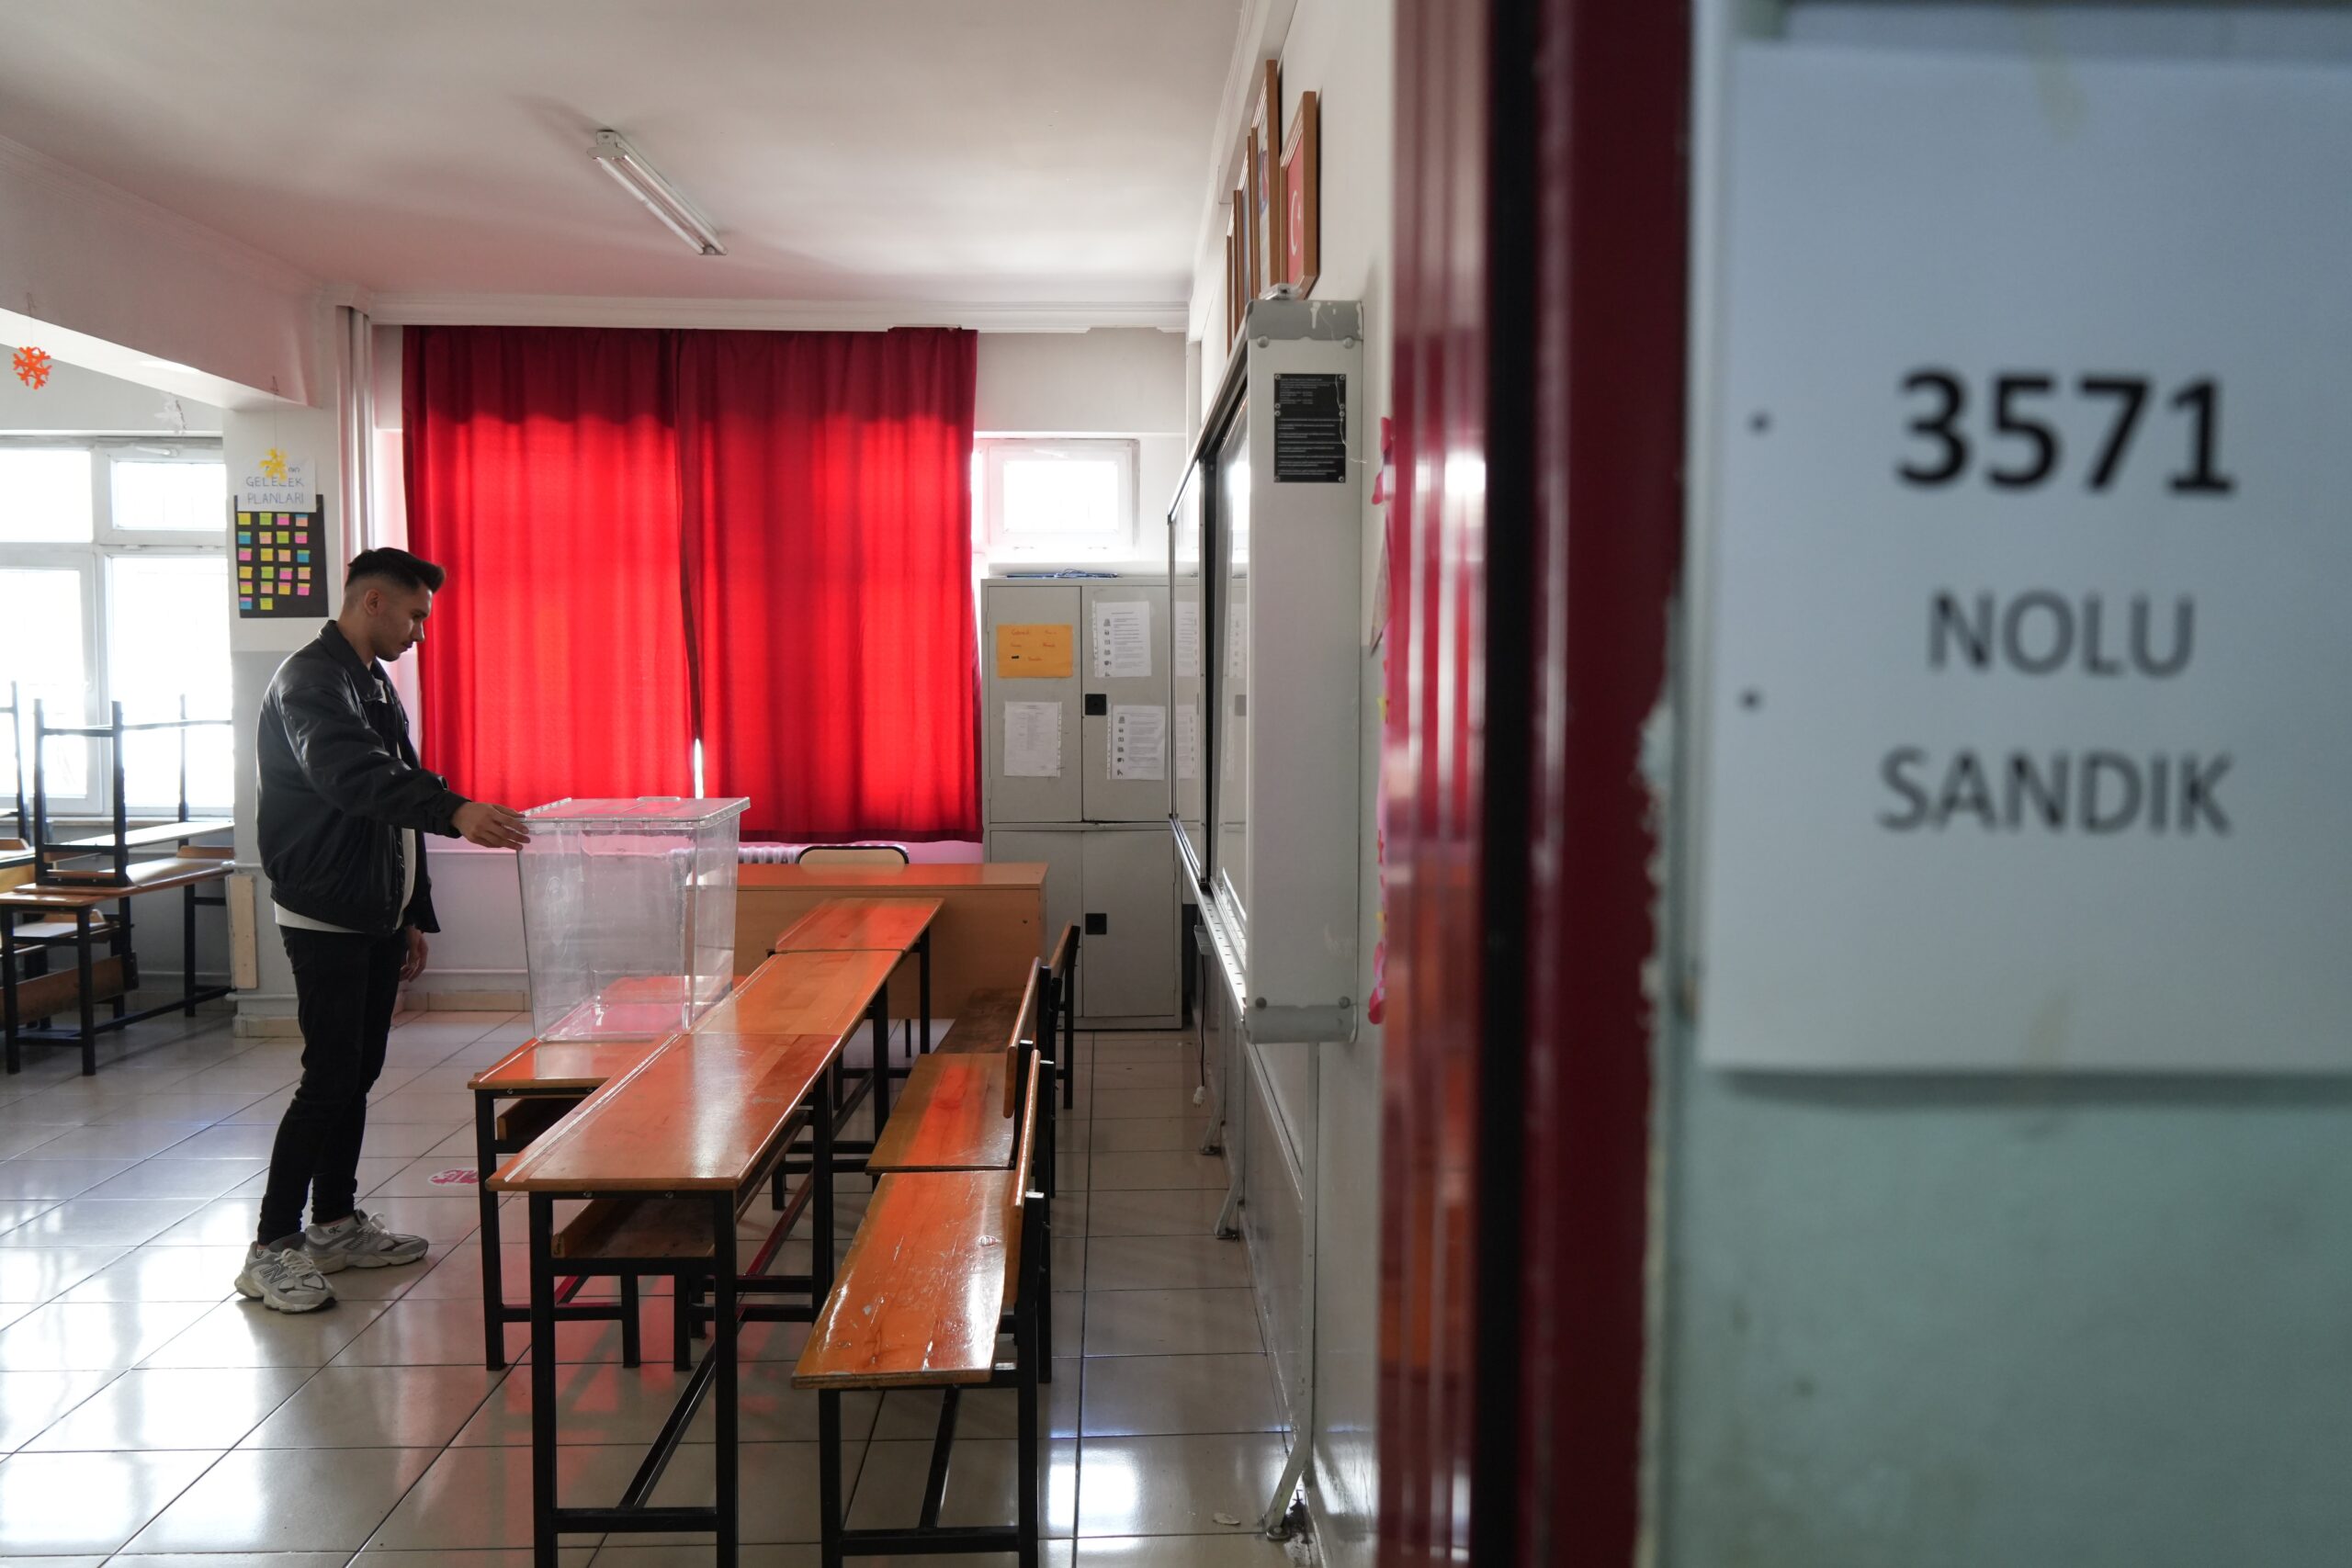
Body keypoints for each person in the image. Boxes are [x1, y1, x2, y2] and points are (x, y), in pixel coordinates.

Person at [236, 547, 531, 1313]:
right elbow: (355, 780)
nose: (419, 633)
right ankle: (272, 1245)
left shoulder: (367, 680)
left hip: (371, 911)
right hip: (325, 913)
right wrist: (456, 809)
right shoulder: (309, 682)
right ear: (373, 602)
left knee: (357, 1074)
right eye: (415, 616)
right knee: (329, 1075)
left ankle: (332, 1221)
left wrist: (410, 915)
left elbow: (395, 801)